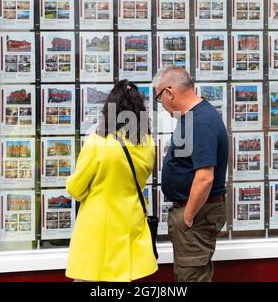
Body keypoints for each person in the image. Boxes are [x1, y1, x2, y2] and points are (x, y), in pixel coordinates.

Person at [65, 80, 157, 282]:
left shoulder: (97, 142)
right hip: (132, 224)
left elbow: (75, 188)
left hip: (98, 231)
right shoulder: (148, 143)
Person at [153, 66, 228, 282]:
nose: (163, 106)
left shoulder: (200, 121)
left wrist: (187, 217)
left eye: (160, 98)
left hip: (196, 213)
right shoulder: (195, 116)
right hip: (196, 211)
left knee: (191, 277)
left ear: (169, 92)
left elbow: (205, 177)